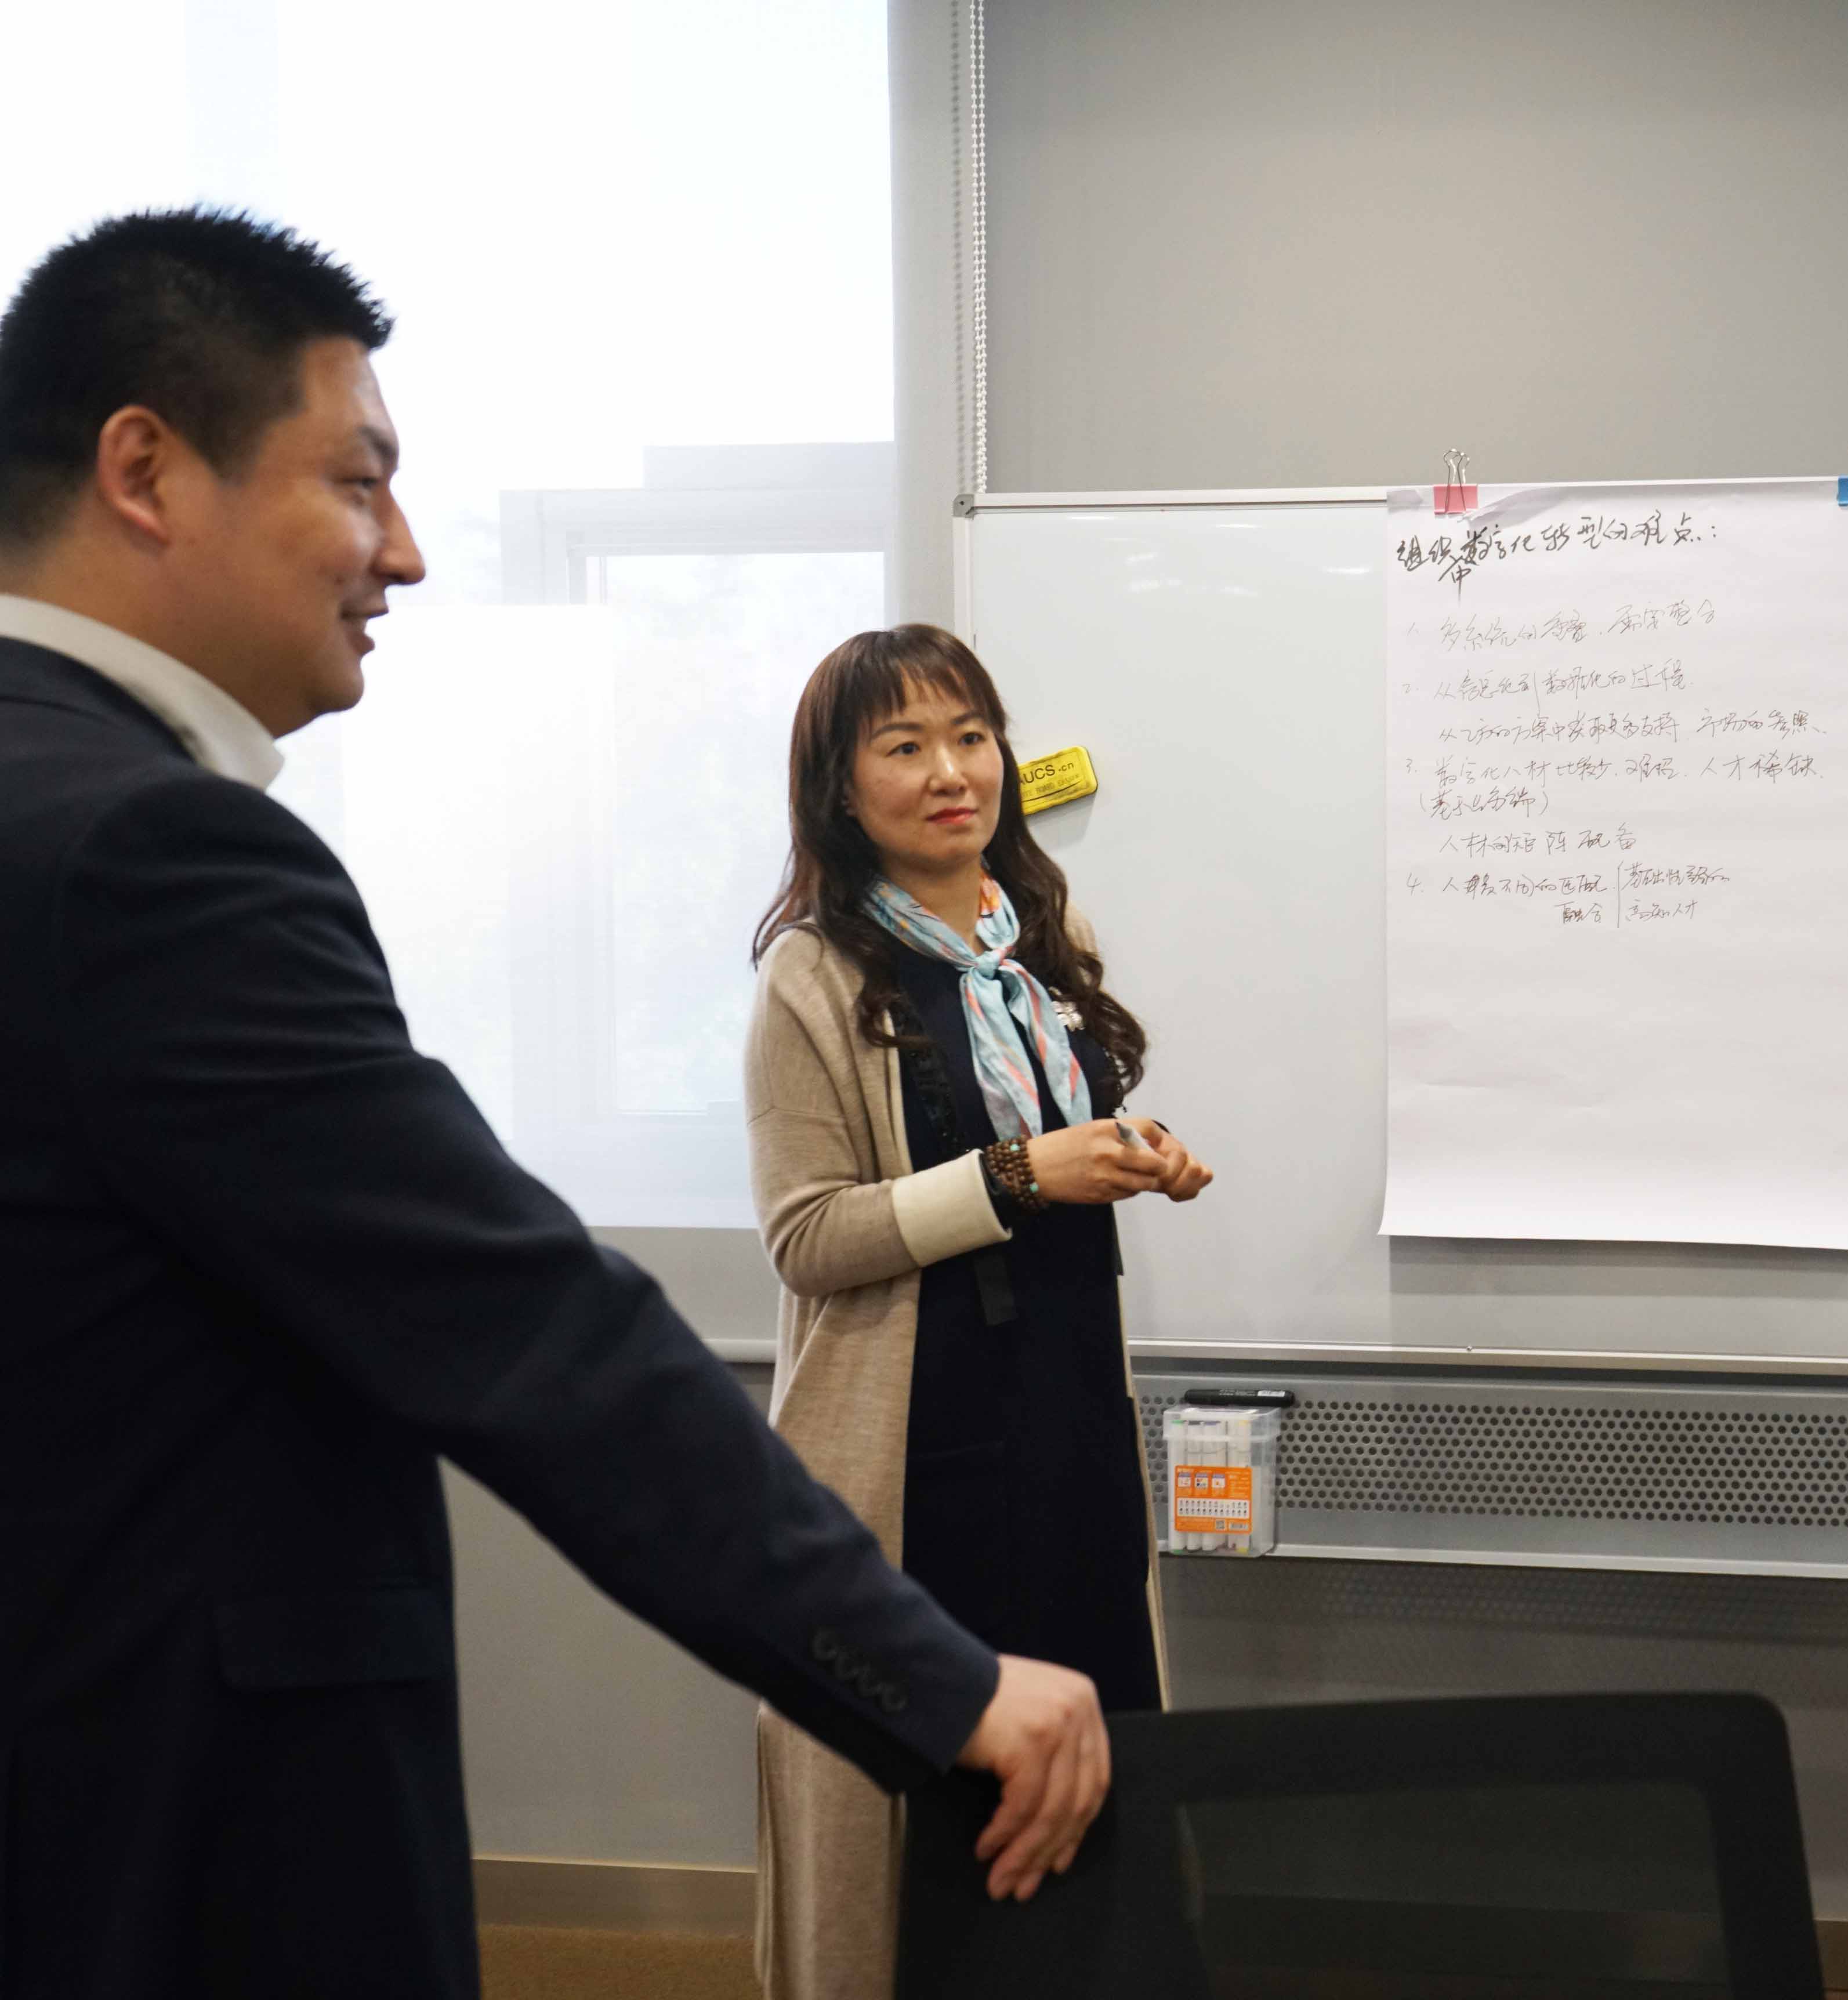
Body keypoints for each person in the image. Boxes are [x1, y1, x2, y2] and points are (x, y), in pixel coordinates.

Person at [0, 210, 1106, 1999]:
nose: (407, 552)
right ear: (146, 470)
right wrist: (939, 1679)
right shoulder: (151, 853)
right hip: (162, 1825)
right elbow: (522, 1322)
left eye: (971, 737)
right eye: (359, 482)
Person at [745, 624, 1212, 1998]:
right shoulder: (813, 974)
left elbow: (1054, 1141)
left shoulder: (1041, 941)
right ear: (841, 788)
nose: (952, 772)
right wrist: (1020, 1174)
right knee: (938, 1817)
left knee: (1098, 1761)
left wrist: (1128, 1150)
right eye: (904, 746)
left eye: (970, 735)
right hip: (917, 1451)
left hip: (1068, 1425)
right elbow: (808, 1235)